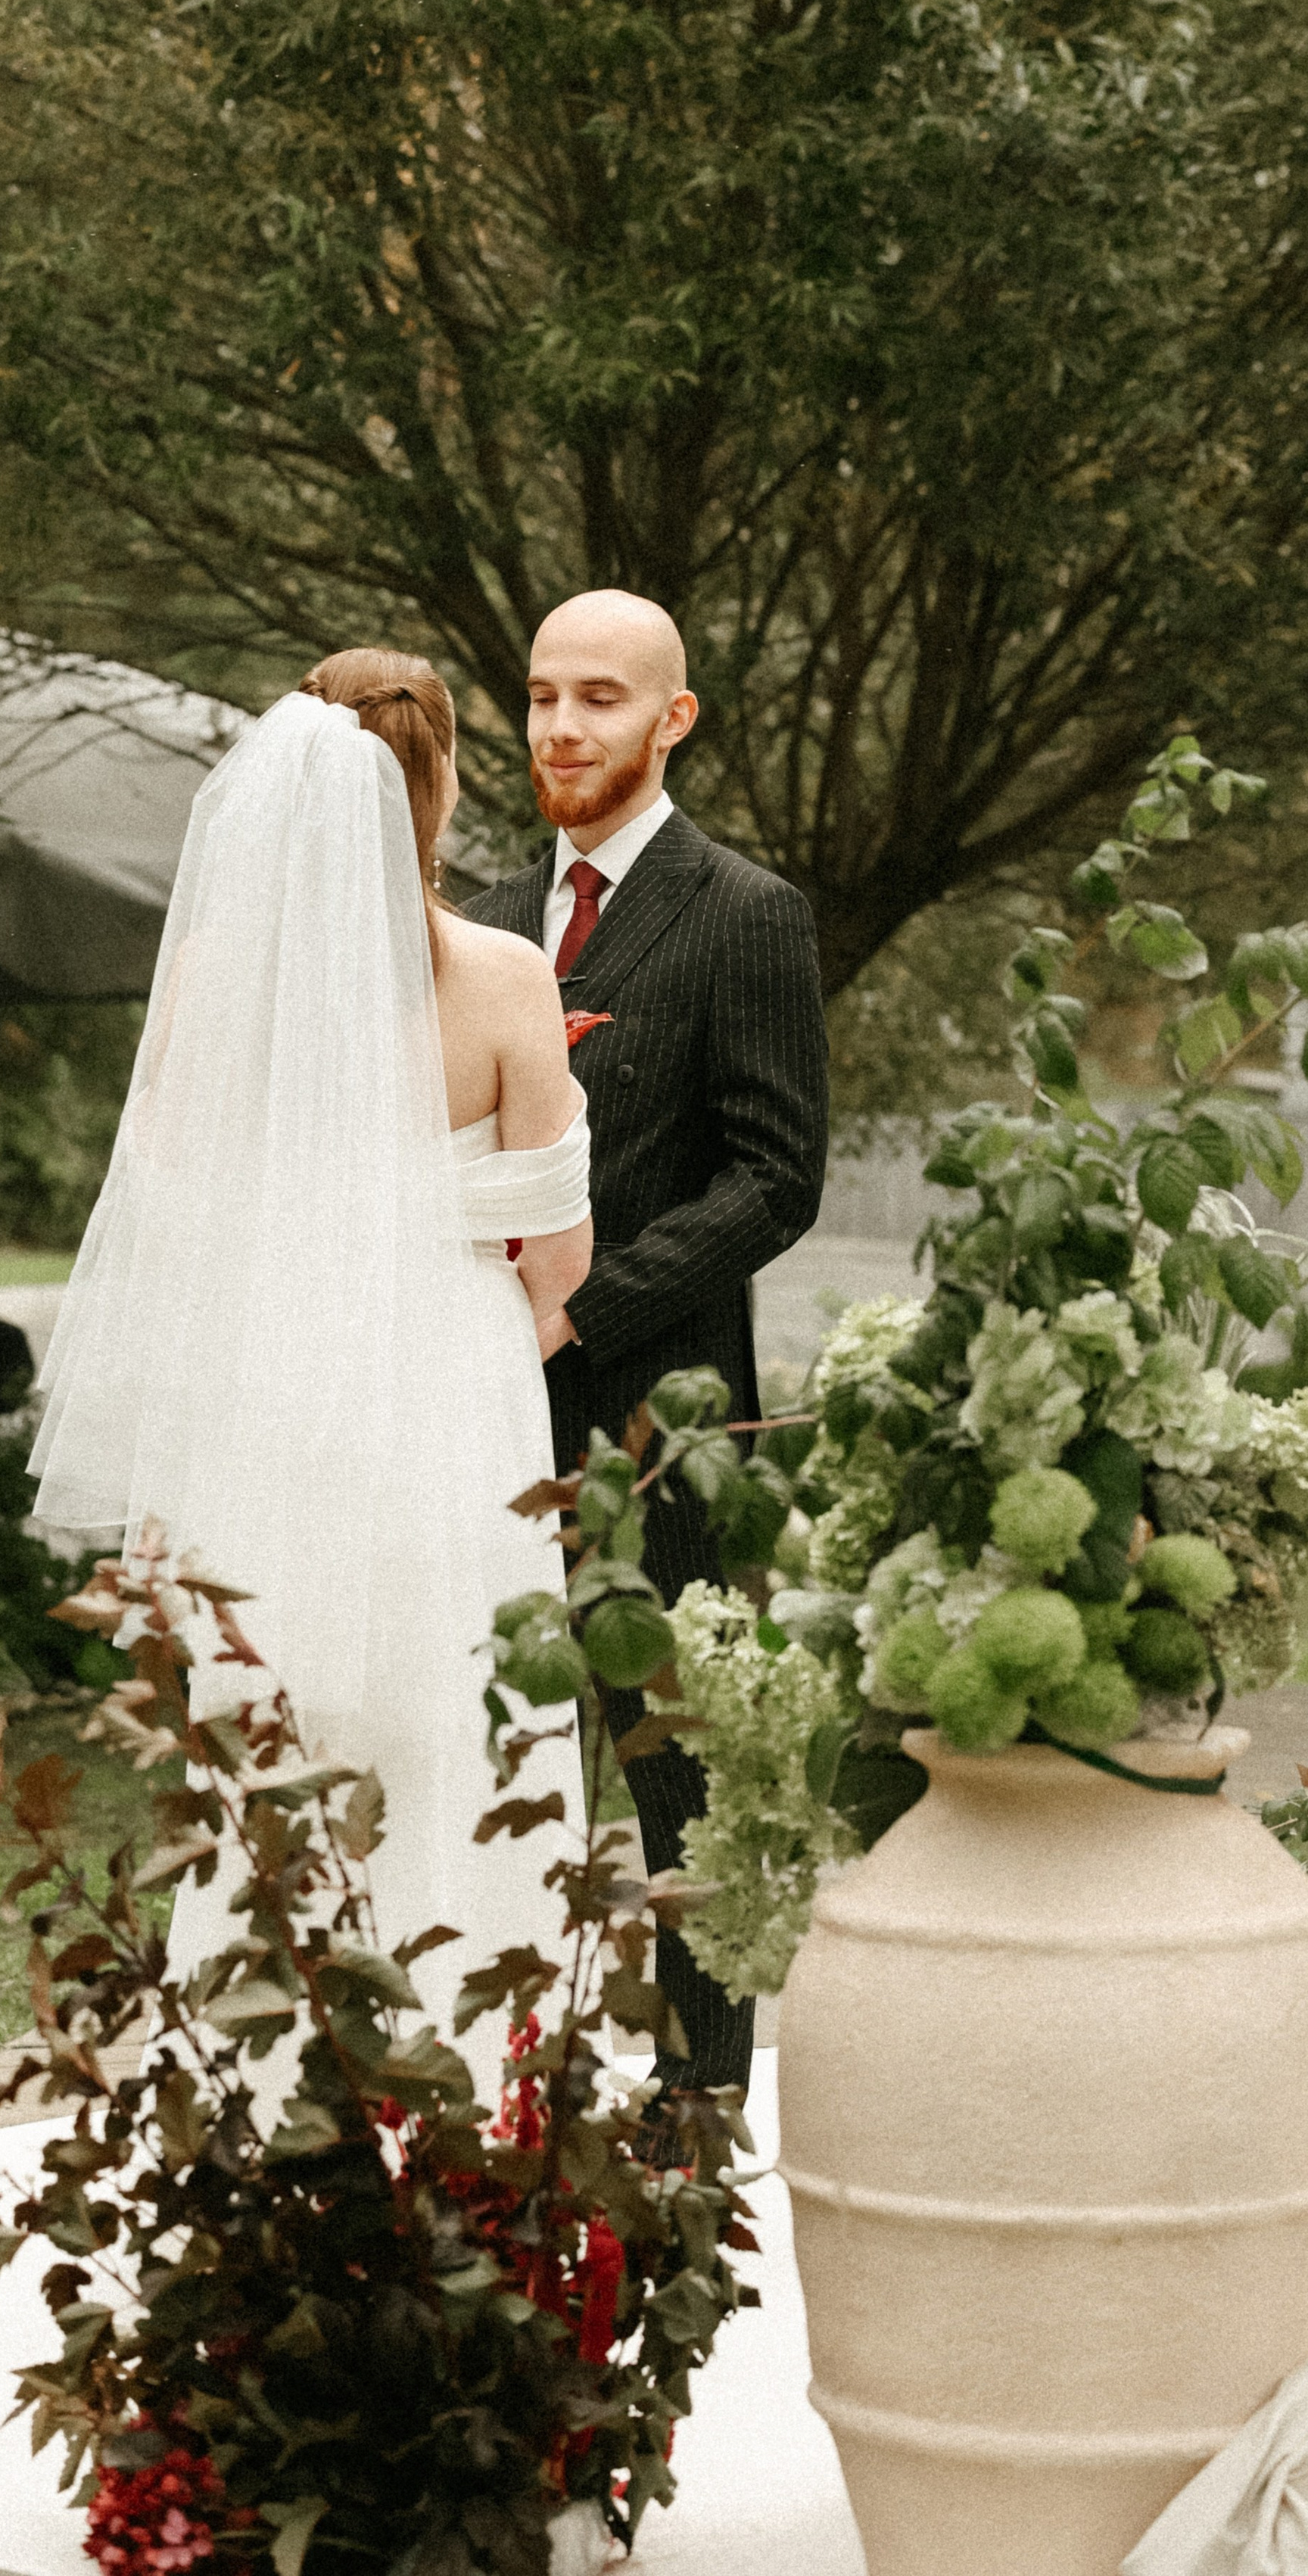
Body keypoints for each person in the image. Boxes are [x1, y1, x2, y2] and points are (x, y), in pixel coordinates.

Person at [28, 649, 592, 2019]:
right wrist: (478, 1307)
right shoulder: (510, 976)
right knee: (463, 1714)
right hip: (456, 1383)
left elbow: (165, 1198)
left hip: (269, 1386)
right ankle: (470, 2052)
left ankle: (274, 2055)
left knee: (282, 1716)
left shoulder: (220, 972)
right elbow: (562, 1253)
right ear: (442, 788)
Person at [464, 587, 830, 2093]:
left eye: (599, 696)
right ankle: (494, 2096)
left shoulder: (745, 913)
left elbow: (773, 1176)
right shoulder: (475, 911)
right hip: (464, 1415)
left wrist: (580, 1305)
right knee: (487, 1758)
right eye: (544, 694)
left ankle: (699, 2121)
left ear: (671, 718)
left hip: (656, 1426)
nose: (562, 724)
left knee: (680, 1785)